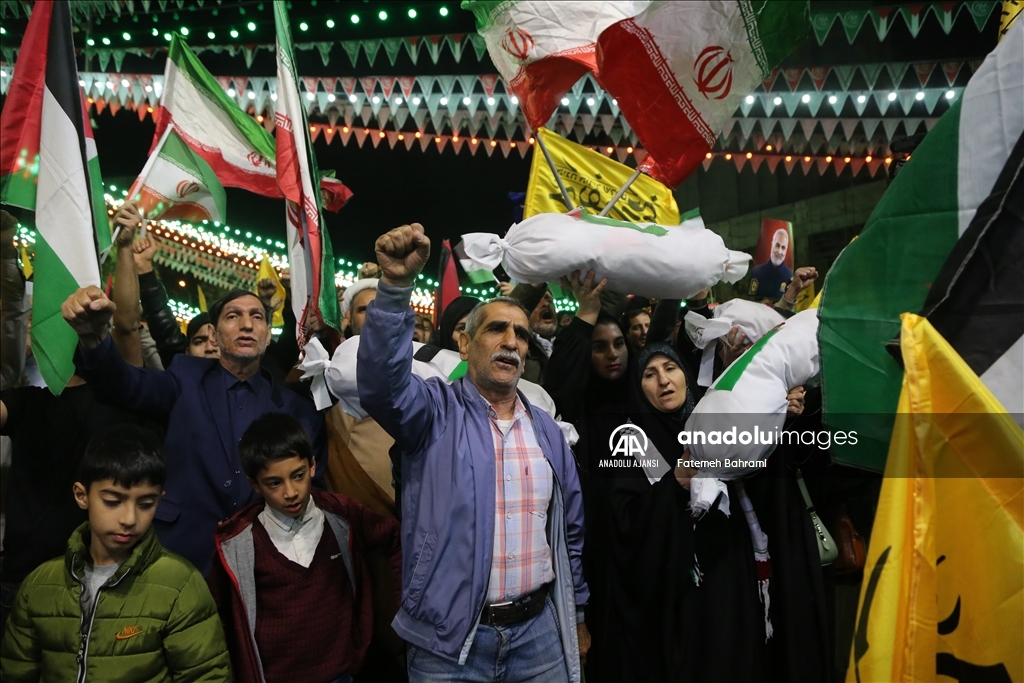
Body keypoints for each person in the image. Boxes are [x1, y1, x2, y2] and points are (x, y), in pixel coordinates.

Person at [359, 223, 590, 682]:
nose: (511, 342)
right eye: (497, 330)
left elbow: (570, 531)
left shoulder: (546, 431)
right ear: (464, 342)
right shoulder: (433, 411)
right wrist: (395, 288)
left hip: (539, 636)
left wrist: (577, 613)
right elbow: (381, 386)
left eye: (521, 335)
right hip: (450, 641)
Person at [62, 286, 326, 575]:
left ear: (267, 332)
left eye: (257, 317)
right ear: (213, 334)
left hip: (262, 565)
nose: (247, 324)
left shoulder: (297, 410)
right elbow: (123, 384)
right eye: (233, 316)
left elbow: (313, 494)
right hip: (177, 554)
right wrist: (93, 337)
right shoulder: (183, 380)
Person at [0, 425, 230, 681]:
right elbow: (16, 673)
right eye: (112, 501)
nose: (129, 519)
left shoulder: (180, 584)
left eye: (146, 504)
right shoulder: (40, 584)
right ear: (81, 495)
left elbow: (206, 676)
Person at [208, 413, 401, 683]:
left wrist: (408, 602)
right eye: (274, 483)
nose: (290, 492)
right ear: (254, 484)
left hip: (341, 675)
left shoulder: (341, 516)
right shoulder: (239, 542)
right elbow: (218, 616)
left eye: (298, 476)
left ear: (312, 466)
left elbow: (396, 538)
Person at [748, 228, 793, 299]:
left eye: (783, 247)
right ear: (772, 244)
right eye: (777, 245)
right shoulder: (756, 273)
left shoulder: (790, 276)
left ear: (786, 250)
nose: (779, 251)